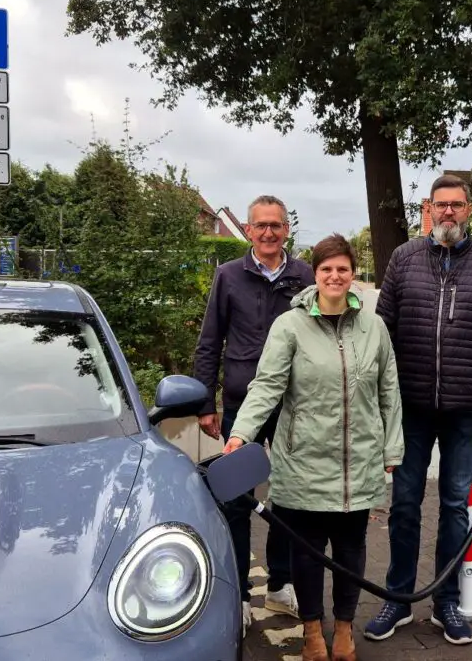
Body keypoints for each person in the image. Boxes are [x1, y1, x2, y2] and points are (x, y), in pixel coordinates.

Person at [224, 233, 403, 661]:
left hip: (356, 461)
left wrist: (392, 449)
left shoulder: (373, 327)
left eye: (343, 268)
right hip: (302, 460)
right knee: (306, 553)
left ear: (353, 274)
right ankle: (311, 632)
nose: (335, 276)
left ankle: (343, 628)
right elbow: (267, 385)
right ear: (315, 274)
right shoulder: (291, 325)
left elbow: (389, 390)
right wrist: (241, 433)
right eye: (327, 269)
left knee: (350, 550)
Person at [364, 174, 472, 646]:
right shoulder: (404, 259)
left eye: (457, 204)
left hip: (466, 409)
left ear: (470, 209)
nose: (448, 212)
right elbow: (381, 330)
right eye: (440, 205)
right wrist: (377, 393)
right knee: (405, 505)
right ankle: (398, 598)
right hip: (409, 406)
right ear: (427, 209)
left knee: (455, 507)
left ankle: (446, 601)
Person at [192, 194, 313, 634]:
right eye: (260, 225)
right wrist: (206, 402)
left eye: (275, 226)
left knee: (289, 497)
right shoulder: (228, 276)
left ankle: (280, 586)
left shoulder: (304, 276)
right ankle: (240, 595)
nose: (267, 233)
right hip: (242, 405)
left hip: (293, 404)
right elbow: (210, 341)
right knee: (238, 500)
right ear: (248, 229)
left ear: (286, 230)